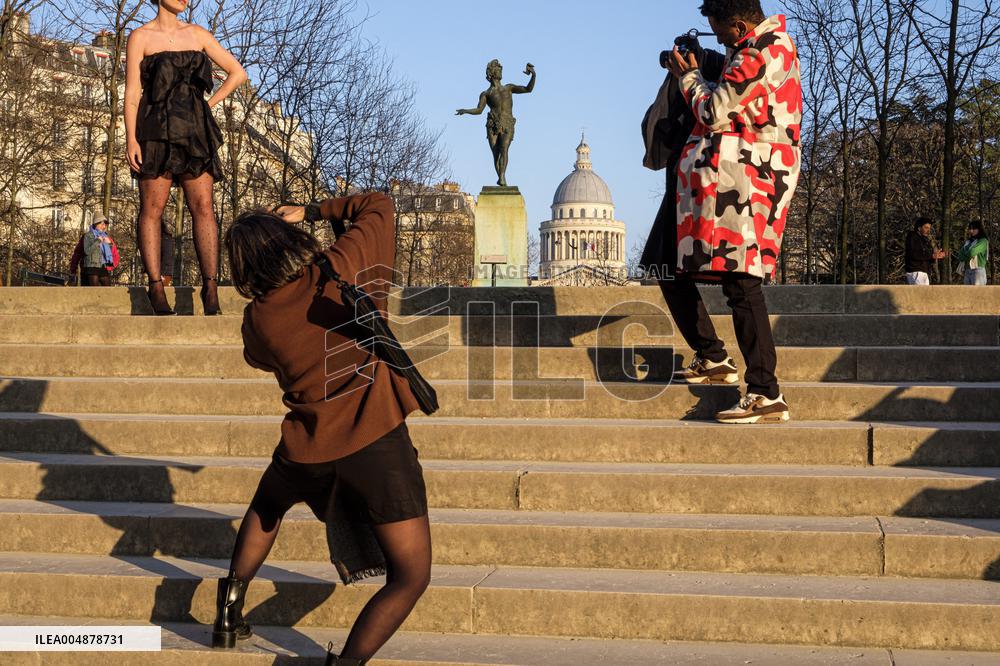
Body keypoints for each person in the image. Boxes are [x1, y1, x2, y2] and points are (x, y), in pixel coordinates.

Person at [214, 193, 430, 666]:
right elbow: (380, 206)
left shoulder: (259, 319)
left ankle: (228, 608)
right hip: (373, 439)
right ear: (288, 238)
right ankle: (347, 663)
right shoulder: (341, 265)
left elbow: (257, 357)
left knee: (268, 504)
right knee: (411, 575)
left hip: (307, 443)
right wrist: (312, 212)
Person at [654, 0, 802, 424]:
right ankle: (724, 364)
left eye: (718, 29)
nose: (716, 36)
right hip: (733, 181)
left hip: (749, 182)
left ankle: (765, 392)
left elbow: (713, 110)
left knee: (742, 283)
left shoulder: (762, 52)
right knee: (678, 268)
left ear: (737, 25)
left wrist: (687, 76)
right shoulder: (757, 48)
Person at [124, 0, 246, 315]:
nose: (187, 0)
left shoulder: (199, 34)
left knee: (203, 207)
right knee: (152, 208)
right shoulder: (140, 36)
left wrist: (208, 106)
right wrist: (130, 138)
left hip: (195, 132)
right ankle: (155, 287)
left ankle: (210, 286)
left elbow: (237, 73)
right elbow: (132, 93)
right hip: (154, 130)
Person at [455, 60, 536, 187]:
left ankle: (502, 176)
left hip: (507, 122)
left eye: (500, 69)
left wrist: (533, 75)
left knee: (504, 149)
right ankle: (500, 176)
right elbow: (479, 110)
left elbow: (528, 89)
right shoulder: (486, 94)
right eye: (498, 70)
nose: (500, 72)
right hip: (492, 123)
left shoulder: (509, 88)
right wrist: (465, 111)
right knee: (495, 153)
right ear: (491, 73)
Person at [904, 217, 946, 285]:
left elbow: (926, 256)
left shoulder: (924, 240)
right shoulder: (912, 237)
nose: (928, 230)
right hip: (916, 272)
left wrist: (935, 256)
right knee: (920, 295)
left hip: (923, 272)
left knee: (924, 295)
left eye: (929, 228)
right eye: (926, 228)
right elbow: (914, 254)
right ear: (919, 228)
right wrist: (931, 255)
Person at [78, 213, 115, 286]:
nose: (104, 226)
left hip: (102, 266)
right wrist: (98, 241)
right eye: (102, 224)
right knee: (94, 290)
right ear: (96, 224)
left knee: (108, 289)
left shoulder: (104, 235)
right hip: (91, 266)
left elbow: (108, 253)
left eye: (105, 224)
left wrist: (109, 244)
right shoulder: (88, 235)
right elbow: (87, 251)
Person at [957, 220, 989, 285]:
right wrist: (968, 255)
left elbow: (972, 252)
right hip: (967, 270)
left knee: (978, 294)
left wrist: (965, 254)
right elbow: (960, 255)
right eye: (970, 229)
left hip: (978, 270)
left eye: (974, 229)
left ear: (979, 229)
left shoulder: (983, 241)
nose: (971, 231)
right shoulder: (968, 241)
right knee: (967, 293)